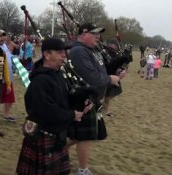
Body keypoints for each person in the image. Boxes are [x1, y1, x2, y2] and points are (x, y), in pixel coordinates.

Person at [16, 38, 85, 175]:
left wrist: (80, 102)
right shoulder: (40, 81)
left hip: (57, 135)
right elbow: (46, 112)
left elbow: (62, 99)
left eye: (64, 51)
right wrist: (72, 115)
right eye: (60, 52)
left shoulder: (57, 74)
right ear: (47, 55)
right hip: (43, 136)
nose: (64, 55)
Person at [67, 23, 120, 175]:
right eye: (94, 33)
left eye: (99, 34)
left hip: (94, 98)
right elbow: (90, 77)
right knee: (86, 136)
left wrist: (115, 71)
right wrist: (110, 79)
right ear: (84, 34)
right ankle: (82, 170)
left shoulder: (92, 50)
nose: (98, 36)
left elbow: (100, 71)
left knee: (83, 135)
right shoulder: (78, 51)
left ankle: (58, 150)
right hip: (84, 99)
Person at [0, 36, 17, 122]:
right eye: (0, 37)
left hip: (8, 77)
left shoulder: (5, 46)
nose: (3, 39)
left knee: (9, 97)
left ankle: (6, 114)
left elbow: (9, 56)